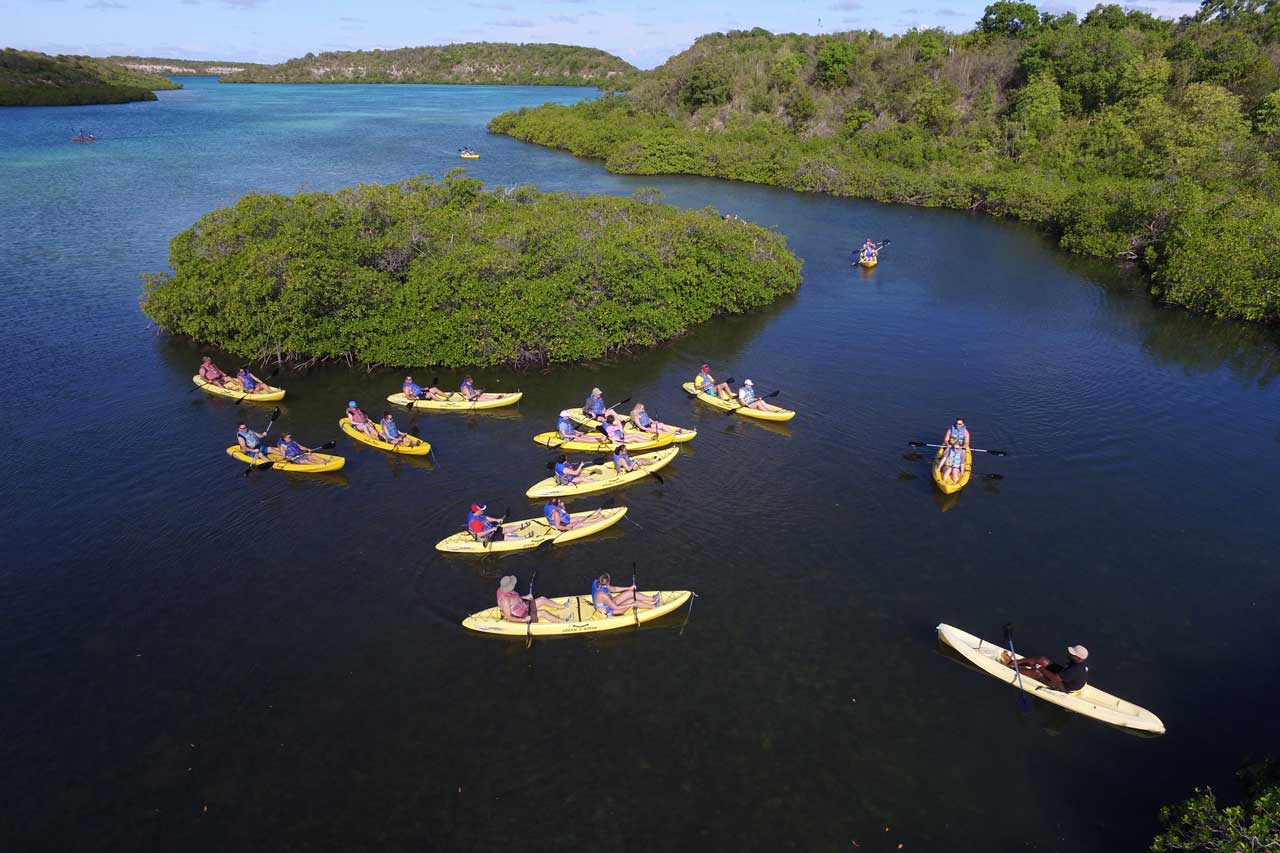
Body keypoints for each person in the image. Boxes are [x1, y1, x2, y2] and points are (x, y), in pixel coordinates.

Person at [1001, 644, 1090, 693]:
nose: (1069, 653)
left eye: (1072, 654)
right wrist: (1041, 665)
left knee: (1036, 673)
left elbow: (1054, 678)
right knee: (1042, 660)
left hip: (1062, 686)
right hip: (1064, 675)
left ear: (1079, 658)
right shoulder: (1078, 661)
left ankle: (1010, 670)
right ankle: (1011, 663)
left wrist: (1040, 668)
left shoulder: (1073, 671)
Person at [495, 575, 571, 624]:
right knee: (543, 612)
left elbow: (514, 598)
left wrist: (525, 597)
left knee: (542, 599)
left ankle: (563, 606)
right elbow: (509, 617)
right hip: (522, 615)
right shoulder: (505, 601)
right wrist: (523, 620)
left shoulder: (503, 589)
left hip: (524, 606)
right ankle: (563, 621)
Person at [591, 573, 660, 616]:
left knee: (630, 593)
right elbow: (615, 607)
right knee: (633, 601)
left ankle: (652, 599)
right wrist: (632, 605)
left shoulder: (598, 582)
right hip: (611, 611)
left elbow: (614, 589)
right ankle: (654, 606)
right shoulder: (602, 595)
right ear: (607, 582)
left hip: (610, 602)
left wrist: (629, 588)